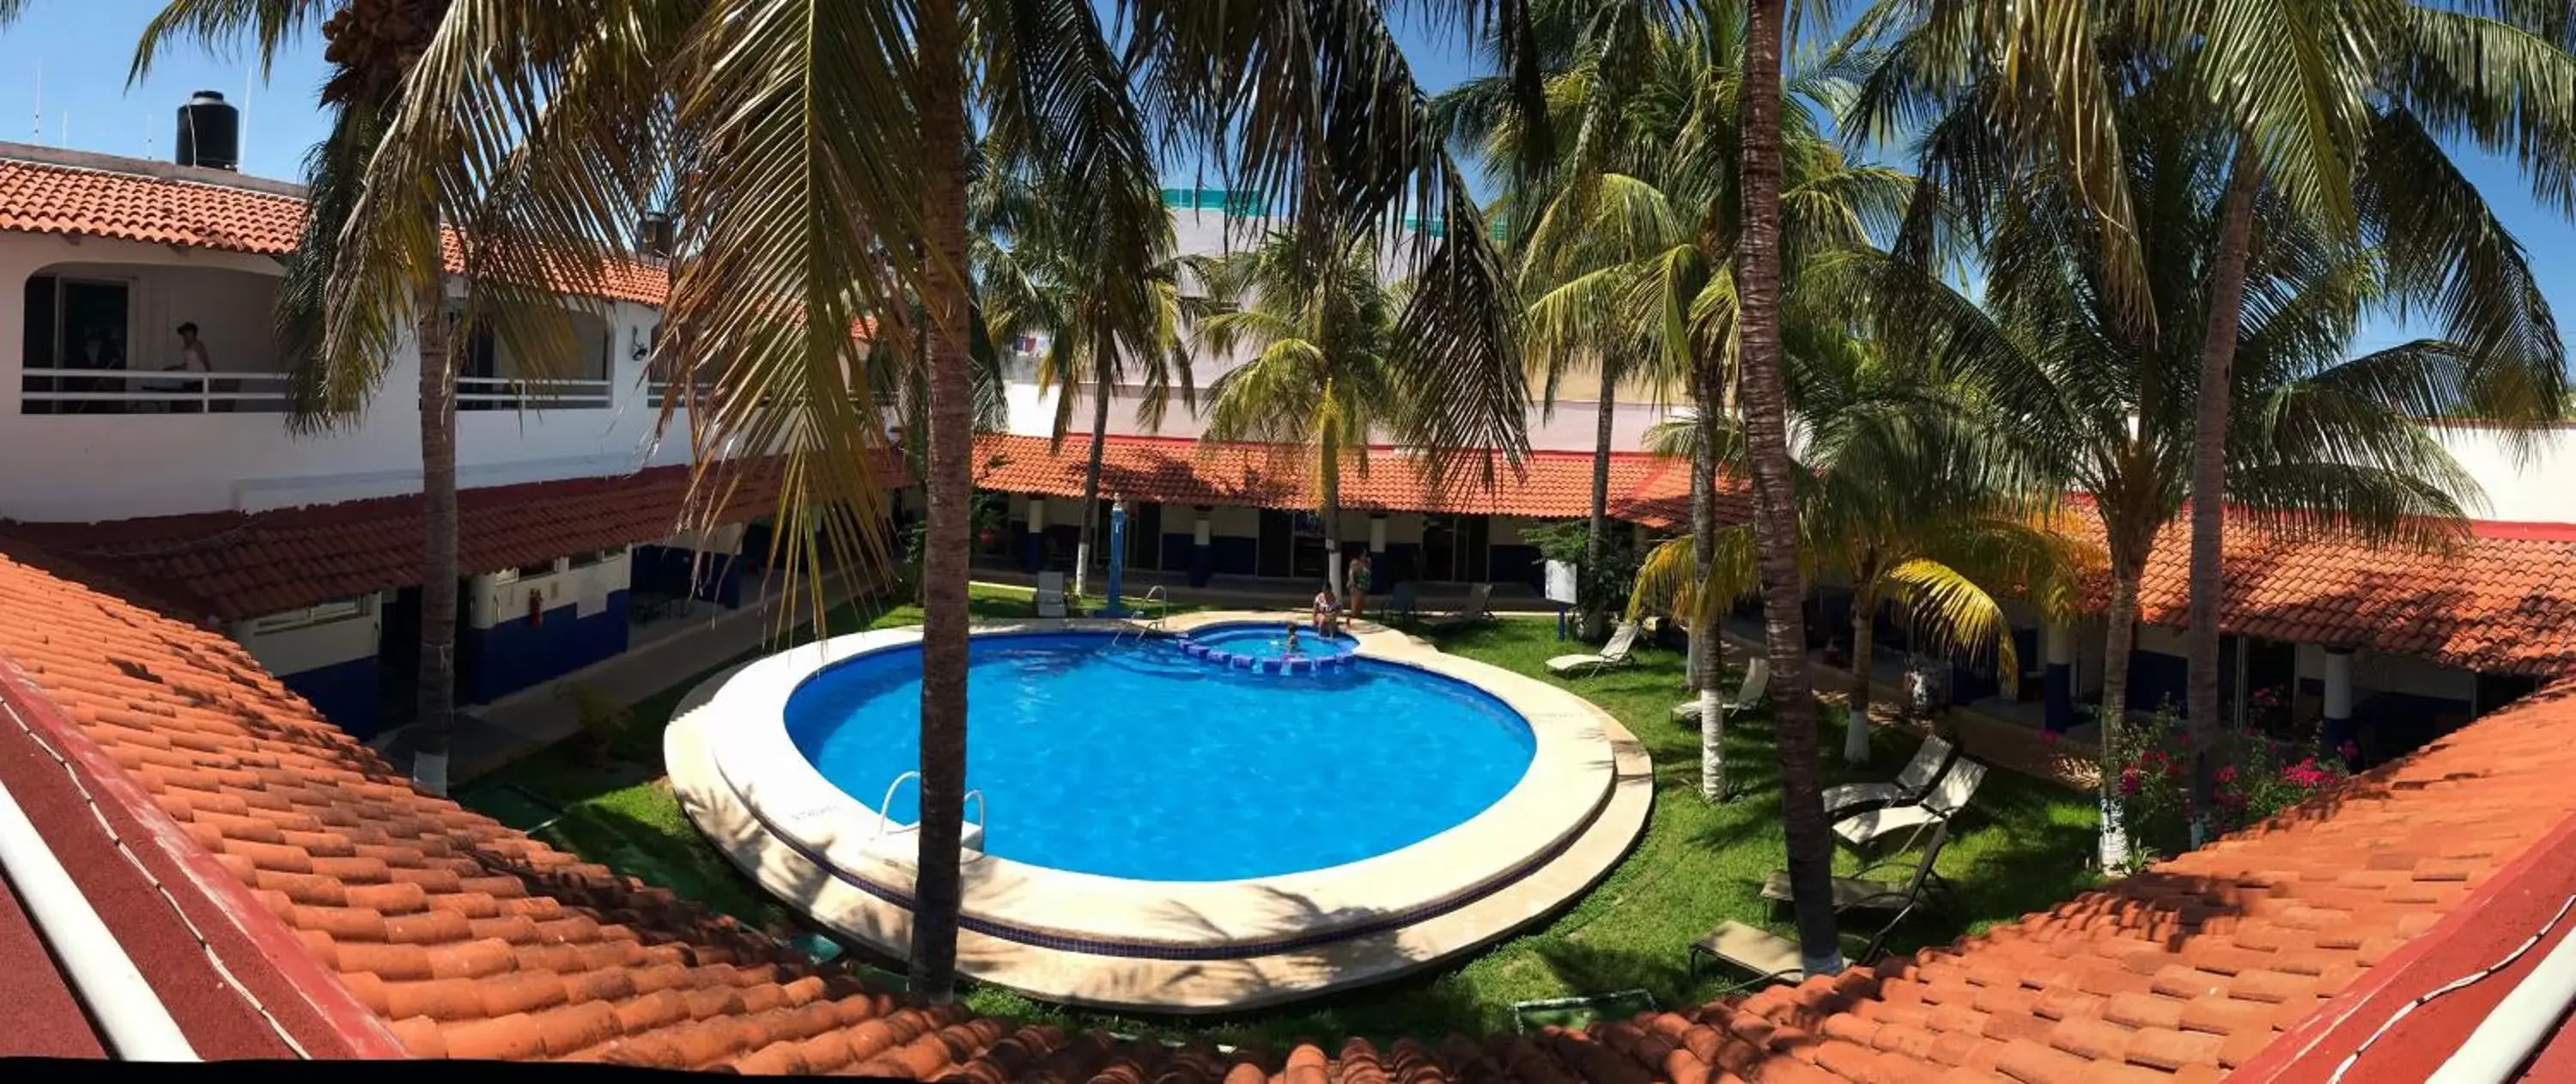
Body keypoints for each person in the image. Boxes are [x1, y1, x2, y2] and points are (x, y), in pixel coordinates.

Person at [1347, 551, 1374, 621]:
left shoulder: (1366, 563)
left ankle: (1357, 620)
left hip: (1363, 587)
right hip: (1357, 587)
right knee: (1355, 607)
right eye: (1363, 554)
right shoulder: (1356, 563)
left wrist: (1368, 563)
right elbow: (1351, 574)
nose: (1365, 556)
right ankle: (1351, 622)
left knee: (1360, 607)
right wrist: (1353, 585)